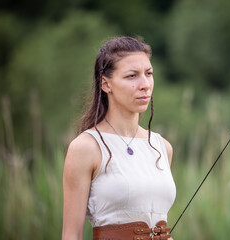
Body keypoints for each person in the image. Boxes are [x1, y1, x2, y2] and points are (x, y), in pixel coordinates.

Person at [62, 36, 176, 240]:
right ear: (106, 84)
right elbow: (71, 235)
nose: (145, 84)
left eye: (148, 74)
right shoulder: (86, 147)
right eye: (132, 76)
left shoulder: (162, 147)